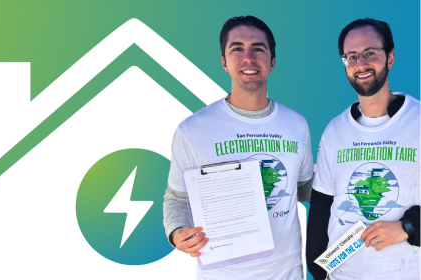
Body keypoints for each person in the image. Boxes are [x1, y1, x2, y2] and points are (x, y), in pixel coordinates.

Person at [163, 15, 314, 280]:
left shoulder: (296, 124)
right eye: (237, 49)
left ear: (272, 61)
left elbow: (304, 189)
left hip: (286, 274)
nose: (248, 58)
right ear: (224, 61)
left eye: (258, 48)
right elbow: (176, 198)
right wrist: (177, 232)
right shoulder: (193, 130)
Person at [306, 18, 420, 280]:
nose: (361, 64)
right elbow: (322, 206)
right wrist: (318, 271)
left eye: (370, 53)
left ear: (390, 58)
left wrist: (409, 227)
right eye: (351, 56)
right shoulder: (335, 130)